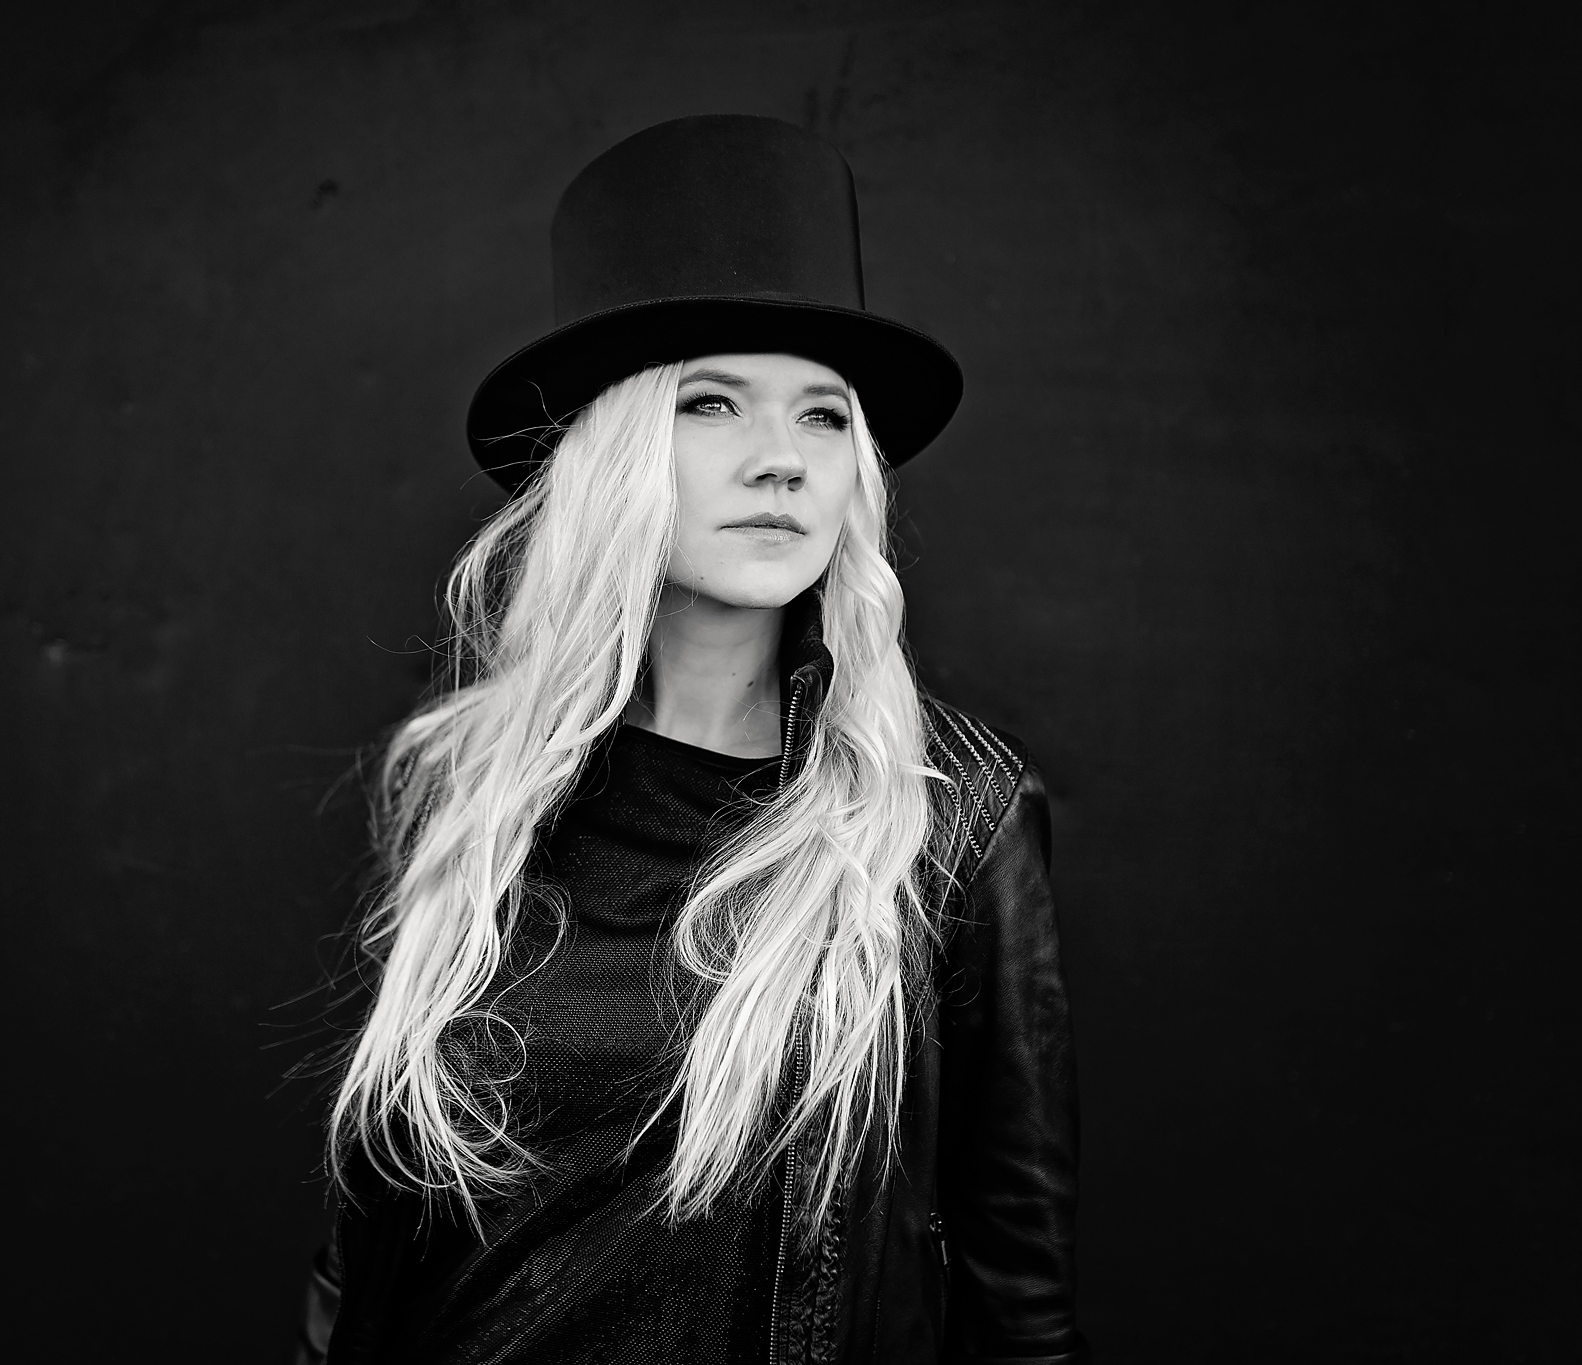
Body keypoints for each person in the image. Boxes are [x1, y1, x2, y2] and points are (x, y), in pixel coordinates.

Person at [297, 115, 1086, 1365]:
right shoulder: (466, 785)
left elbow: (1017, 1289)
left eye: (822, 417)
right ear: (610, 457)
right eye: (711, 403)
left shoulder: (949, 819)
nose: (781, 462)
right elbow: (368, 1244)